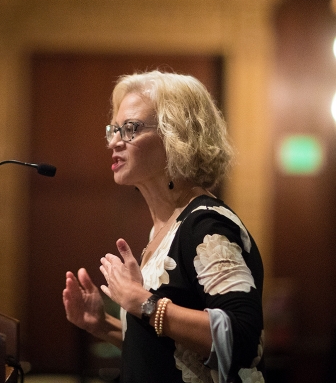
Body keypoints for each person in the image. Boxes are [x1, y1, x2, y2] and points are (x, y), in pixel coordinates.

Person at [62, 70, 265, 383]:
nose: (114, 143)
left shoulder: (206, 225)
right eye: (113, 130)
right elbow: (171, 351)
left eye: (130, 129)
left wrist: (143, 302)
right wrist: (103, 325)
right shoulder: (165, 227)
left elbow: (242, 339)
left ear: (177, 135)